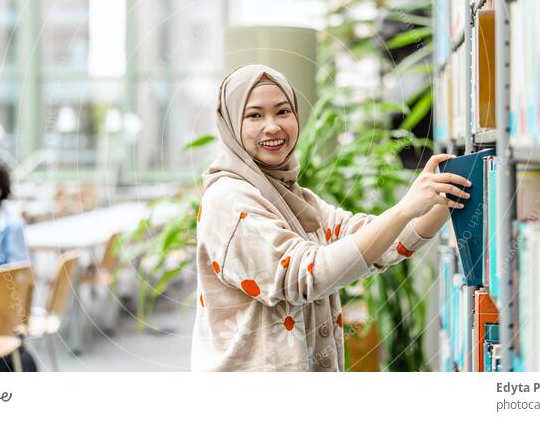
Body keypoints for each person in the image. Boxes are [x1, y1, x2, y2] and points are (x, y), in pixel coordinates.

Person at [191, 64, 471, 371]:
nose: (272, 126)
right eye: (254, 115)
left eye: (283, 111)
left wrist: (448, 196)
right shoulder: (228, 199)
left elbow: (381, 242)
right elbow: (306, 277)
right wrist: (404, 208)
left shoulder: (295, 198)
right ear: (231, 124)